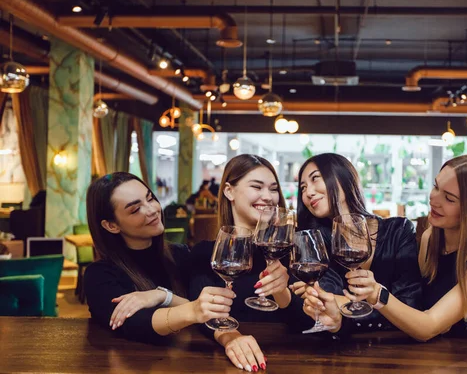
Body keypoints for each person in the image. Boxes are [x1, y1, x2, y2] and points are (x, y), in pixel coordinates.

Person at [303, 154, 467, 341]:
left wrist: (377, 294)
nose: (434, 199)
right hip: (436, 356)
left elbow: (427, 326)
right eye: (436, 186)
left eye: (449, 198)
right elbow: (412, 307)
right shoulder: (431, 238)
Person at [188, 154, 316, 371]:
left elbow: (305, 323)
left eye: (274, 189)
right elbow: (204, 314)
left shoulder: (289, 251)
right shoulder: (205, 253)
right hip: (223, 363)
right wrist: (231, 338)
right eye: (257, 187)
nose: (268, 197)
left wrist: (281, 292)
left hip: (290, 360)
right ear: (229, 191)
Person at [84, 173, 236, 347]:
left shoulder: (181, 255)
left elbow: (205, 310)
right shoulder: (100, 275)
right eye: (135, 209)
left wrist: (162, 296)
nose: (152, 210)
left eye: (150, 198)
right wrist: (191, 309)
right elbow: (134, 323)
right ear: (112, 225)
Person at [292, 153, 422, 333]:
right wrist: (390, 308)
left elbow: (411, 304)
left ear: (343, 177)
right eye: (303, 188)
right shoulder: (315, 241)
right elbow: (326, 304)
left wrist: (344, 303)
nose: (308, 193)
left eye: (315, 179)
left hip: (403, 349)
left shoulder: (398, 230)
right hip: (342, 348)